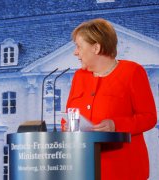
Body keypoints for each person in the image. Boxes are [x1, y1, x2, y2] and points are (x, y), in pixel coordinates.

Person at [66, 18, 157, 180]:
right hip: (85, 168)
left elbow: (149, 118)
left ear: (96, 47)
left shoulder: (133, 72)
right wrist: (69, 126)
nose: (75, 52)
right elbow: (71, 113)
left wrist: (116, 125)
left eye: (79, 46)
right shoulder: (79, 76)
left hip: (124, 169)